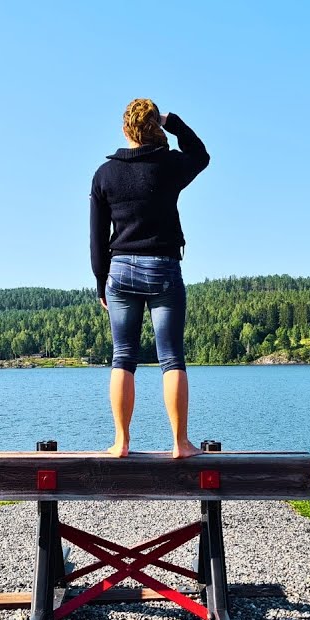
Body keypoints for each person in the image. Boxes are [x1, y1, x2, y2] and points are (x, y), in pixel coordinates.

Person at [90, 98, 210, 458]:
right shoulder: (169, 165)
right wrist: (174, 122)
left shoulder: (104, 175)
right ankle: (180, 444)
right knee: (171, 357)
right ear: (154, 126)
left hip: (121, 270)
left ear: (125, 129)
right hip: (162, 267)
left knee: (122, 357)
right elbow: (201, 154)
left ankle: (121, 443)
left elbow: (97, 239)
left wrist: (101, 282)